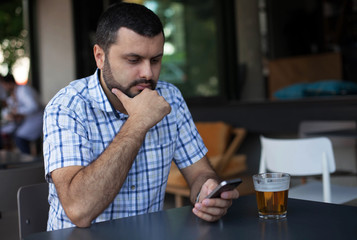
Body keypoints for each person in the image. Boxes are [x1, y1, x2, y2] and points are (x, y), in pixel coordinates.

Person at [43, 2, 239, 231]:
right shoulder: (67, 107)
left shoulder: (170, 98)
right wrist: (138, 122)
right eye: (134, 60)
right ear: (100, 56)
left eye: (155, 60)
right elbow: (79, 210)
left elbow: (200, 173)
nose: (147, 73)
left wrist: (208, 192)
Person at [0, 74, 43, 154]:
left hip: (37, 120)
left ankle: (28, 160)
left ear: (9, 83)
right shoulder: (13, 93)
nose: (4, 88)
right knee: (8, 133)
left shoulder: (24, 90)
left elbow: (33, 106)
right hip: (26, 121)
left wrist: (17, 112)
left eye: (4, 85)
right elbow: (9, 108)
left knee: (19, 138)